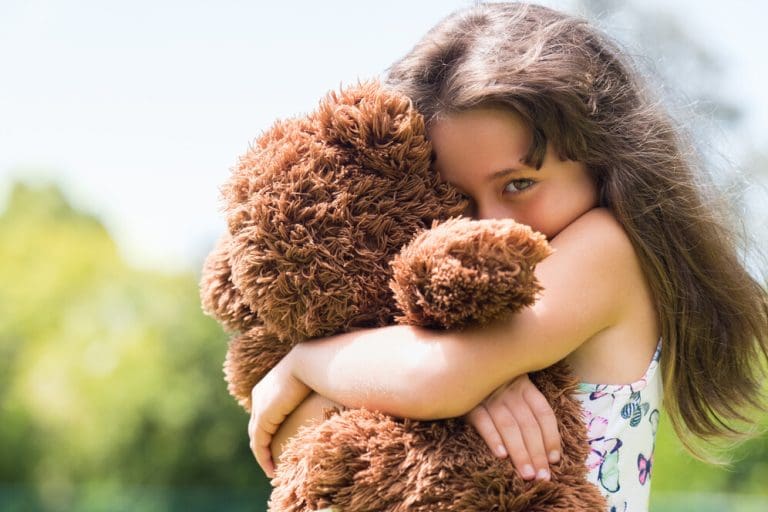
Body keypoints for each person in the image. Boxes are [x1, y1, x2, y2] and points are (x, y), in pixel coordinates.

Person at [246, 3, 768, 510]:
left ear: (601, 162)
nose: (489, 223)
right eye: (456, 197)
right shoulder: (425, 320)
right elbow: (295, 438)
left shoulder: (608, 249)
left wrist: (307, 362)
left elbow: (434, 379)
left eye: (519, 183)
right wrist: (468, 391)